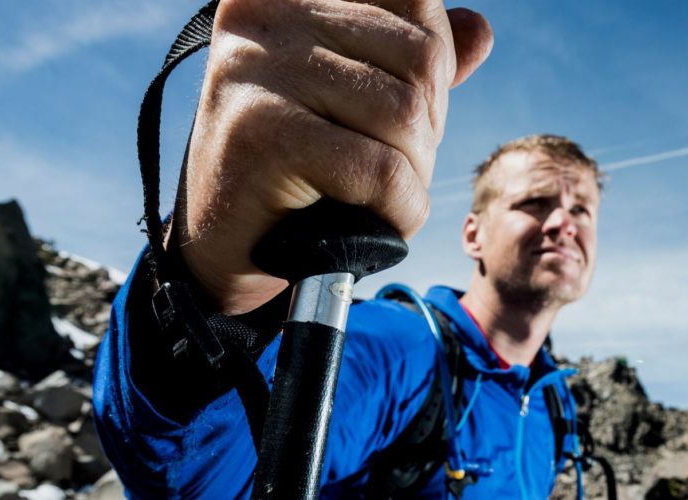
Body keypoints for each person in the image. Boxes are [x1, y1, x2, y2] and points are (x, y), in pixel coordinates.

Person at [92, 0, 604, 497]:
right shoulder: (398, 350)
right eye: (534, 203)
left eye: (581, 209)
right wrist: (211, 291)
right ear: (473, 233)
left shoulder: (552, 400)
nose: (562, 222)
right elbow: (209, 482)